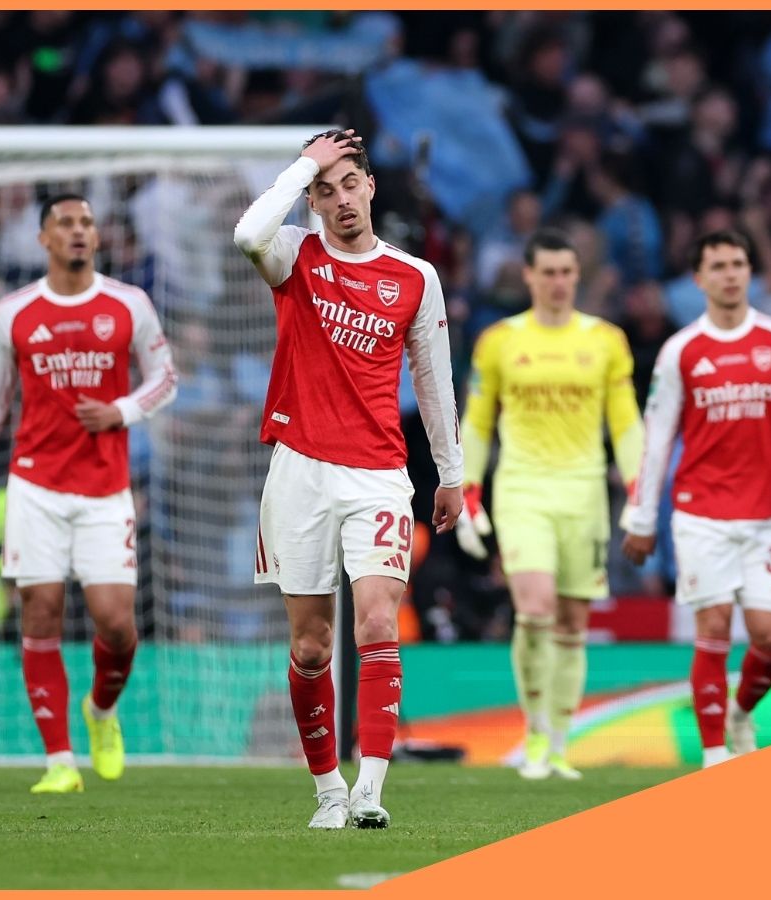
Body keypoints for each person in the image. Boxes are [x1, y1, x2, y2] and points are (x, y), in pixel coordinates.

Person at [232, 129, 463, 830]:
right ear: (312, 199)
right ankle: (327, 788)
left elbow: (432, 378)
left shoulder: (415, 276)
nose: (340, 201)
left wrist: (449, 472)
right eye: (324, 191)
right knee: (309, 645)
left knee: (375, 620)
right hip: (298, 467)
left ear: (370, 188)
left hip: (379, 473)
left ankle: (370, 787)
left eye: (349, 185)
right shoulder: (294, 253)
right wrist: (304, 161)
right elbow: (248, 231)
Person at [0, 193, 179, 794]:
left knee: (116, 625)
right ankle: (59, 760)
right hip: (35, 486)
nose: (78, 231)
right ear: (43, 239)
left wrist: (122, 410)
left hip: (106, 489)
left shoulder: (129, 305)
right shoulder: (14, 313)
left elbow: (165, 378)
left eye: (86, 223)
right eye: (65, 224)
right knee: (41, 610)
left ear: (96, 238)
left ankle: (100, 712)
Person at [620, 230, 771, 767]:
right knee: (712, 626)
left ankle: (741, 711)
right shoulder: (681, 350)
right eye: (718, 265)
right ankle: (715, 755)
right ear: (699, 278)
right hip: (700, 513)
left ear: (750, 272)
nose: (731, 273)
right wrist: (641, 517)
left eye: (739, 263)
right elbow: (658, 436)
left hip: (766, 517)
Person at [455, 228, 645, 781]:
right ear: (530, 275)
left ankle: (560, 742)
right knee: (534, 608)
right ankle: (534, 733)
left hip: (584, 492)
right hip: (523, 489)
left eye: (568, 272)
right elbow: (480, 423)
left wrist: (638, 490)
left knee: (572, 622)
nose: (559, 282)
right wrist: (470, 491)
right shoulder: (499, 341)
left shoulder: (607, 340)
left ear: (576, 276)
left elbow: (626, 422)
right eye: (549, 272)